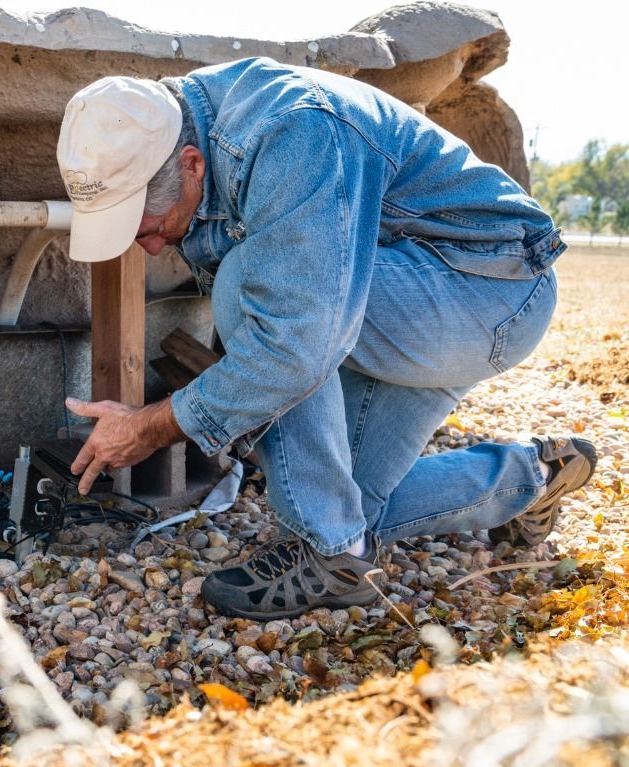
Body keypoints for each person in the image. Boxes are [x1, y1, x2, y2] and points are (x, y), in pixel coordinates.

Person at [55, 58, 597, 621]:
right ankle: (532, 477)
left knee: (251, 291)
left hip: (486, 291)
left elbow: (293, 346)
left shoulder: (291, 132)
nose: (148, 249)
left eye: (148, 228)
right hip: (397, 294)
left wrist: (149, 427)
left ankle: (334, 558)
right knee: (343, 503)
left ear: (190, 165)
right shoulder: (181, 131)